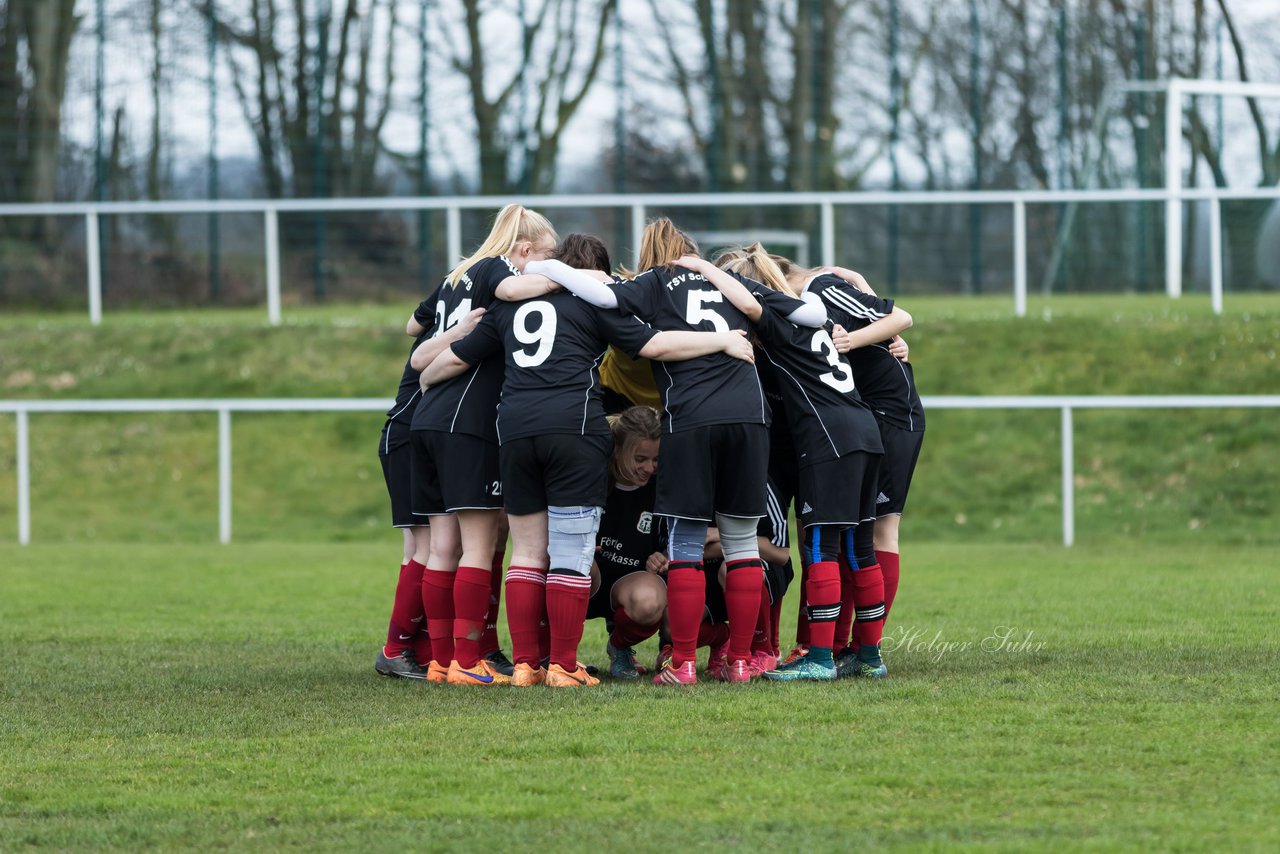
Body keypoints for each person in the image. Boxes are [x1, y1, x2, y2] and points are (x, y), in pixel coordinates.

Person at [424, 233, 756, 687]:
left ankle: (526, 665)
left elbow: (449, 362)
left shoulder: (508, 307)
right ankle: (563, 665)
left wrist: (424, 383)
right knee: (571, 553)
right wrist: (720, 341)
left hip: (515, 430)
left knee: (525, 552)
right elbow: (655, 345)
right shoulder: (594, 304)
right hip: (575, 429)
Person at [526, 218, 825, 685]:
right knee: (743, 546)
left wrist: (545, 270)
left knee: (685, 547)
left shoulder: (655, 280)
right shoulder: (725, 279)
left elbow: (604, 298)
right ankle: (741, 663)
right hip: (750, 417)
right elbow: (812, 316)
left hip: (691, 419)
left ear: (651, 254)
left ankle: (683, 664)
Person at [687, 244, 909, 679]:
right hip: (864, 432)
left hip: (829, 440)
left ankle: (821, 659)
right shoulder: (817, 316)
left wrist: (700, 268)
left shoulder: (774, 319)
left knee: (821, 546)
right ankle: (869, 658)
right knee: (859, 547)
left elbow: (751, 302)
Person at [408, 203, 558, 686]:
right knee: (479, 544)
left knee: (441, 548)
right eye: (546, 258)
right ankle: (467, 661)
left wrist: (449, 330)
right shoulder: (499, 268)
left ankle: (438, 659)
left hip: (426, 420)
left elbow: (413, 328)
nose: (548, 267)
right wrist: (567, 280)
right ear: (524, 249)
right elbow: (514, 288)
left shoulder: (457, 274)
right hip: (467, 422)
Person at [798, 262, 923, 677]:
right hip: (875, 415)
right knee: (856, 532)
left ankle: (866, 647)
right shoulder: (815, 298)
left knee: (879, 531)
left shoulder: (817, 286)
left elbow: (900, 315)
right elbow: (879, 315)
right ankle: (849, 646)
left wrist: (855, 339)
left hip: (889, 416)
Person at [374, 291, 483, 679]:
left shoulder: (443, 319)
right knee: (429, 547)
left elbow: (411, 323)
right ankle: (396, 647)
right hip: (408, 436)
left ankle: (417, 650)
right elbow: (415, 338)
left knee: (426, 548)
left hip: (414, 437)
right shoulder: (456, 332)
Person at [587, 406, 669, 680]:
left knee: (651, 601)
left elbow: (671, 537)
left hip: (631, 580)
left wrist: (661, 555)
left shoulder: (662, 487)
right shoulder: (591, 476)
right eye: (640, 458)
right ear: (617, 450)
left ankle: (619, 647)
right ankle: (555, 656)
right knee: (569, 567)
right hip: (590, 577)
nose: (649, 468)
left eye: (655, 460)